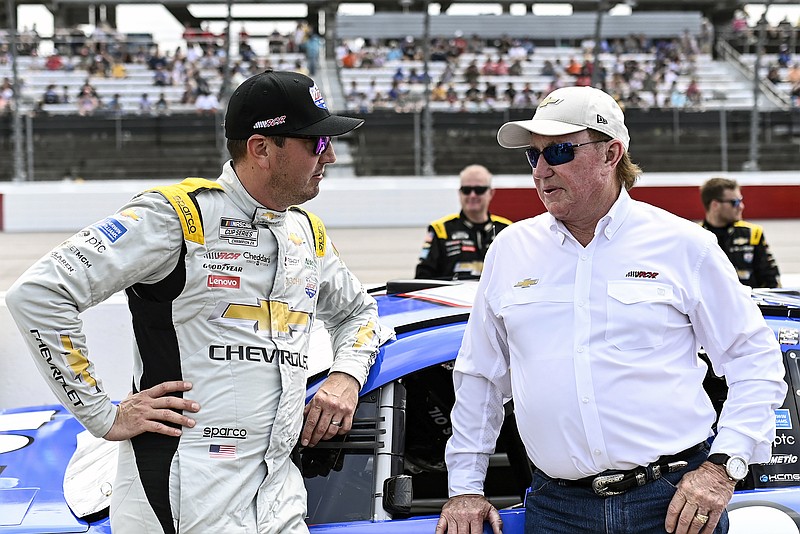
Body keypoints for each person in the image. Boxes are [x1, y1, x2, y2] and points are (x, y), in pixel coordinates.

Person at [6, 69, 382, 534]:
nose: (330, 156)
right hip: (182, 492)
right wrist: (103, 416)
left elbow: (358, 311)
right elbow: (39, 293)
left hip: (278, 494)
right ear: (261, 148)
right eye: (316, 144)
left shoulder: (306, 232)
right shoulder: (178, 216)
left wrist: (345, 377)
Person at [436, 86, 787, 534]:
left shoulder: (684, 245)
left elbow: (754, 360)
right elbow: (479, 377)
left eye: (559, 151)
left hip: (674, 503)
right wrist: (465, 486)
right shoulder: (510, 250)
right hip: (557, 508)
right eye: (533, 155)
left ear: (611, 153)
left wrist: (722, 469)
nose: (541, 170)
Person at [415, 164, 512, 280]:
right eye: (466, 190)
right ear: (459, 193)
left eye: (479, 190)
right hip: (452, 296)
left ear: (491, 193)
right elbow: (422, 277)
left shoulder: (507, 229)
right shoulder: (440, 229)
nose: (472, 195)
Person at [700, 177, 781, 288]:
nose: (741, 206)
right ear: (715, 205)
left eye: (741, 200)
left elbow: (771, 281)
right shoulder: (695, 236)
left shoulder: (753, 234)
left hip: (749, 303)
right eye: (735, 202)